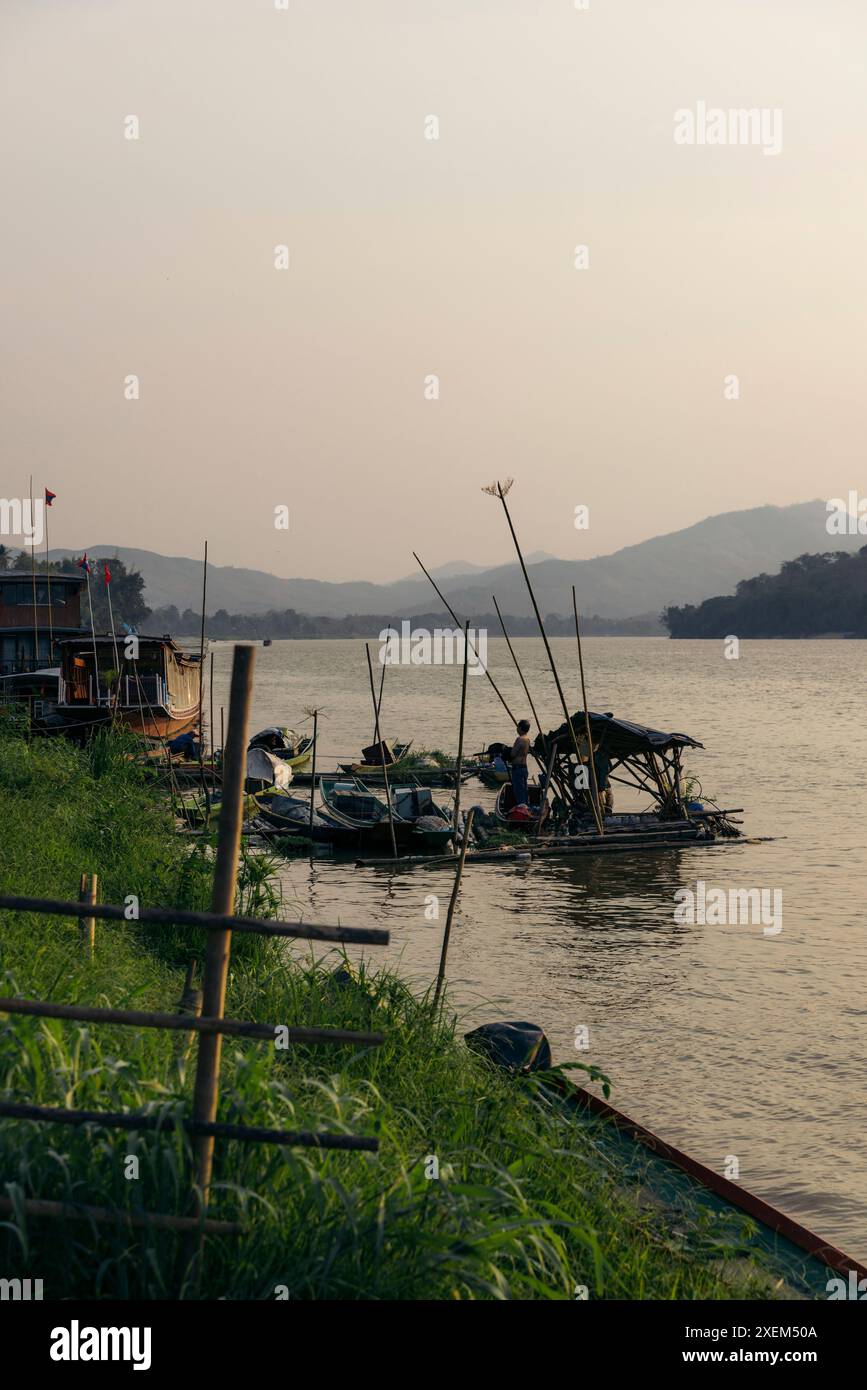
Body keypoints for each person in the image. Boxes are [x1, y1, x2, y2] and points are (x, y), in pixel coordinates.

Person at [510, 719, 532, 808]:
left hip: (518, 768)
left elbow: (513, 754)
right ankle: (526, 807)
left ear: (520, 728)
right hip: (524, 767)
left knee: (519, 791)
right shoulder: (527, 739)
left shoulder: (520, 739)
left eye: (518, 727)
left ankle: (521, 810)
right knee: (524, 790)